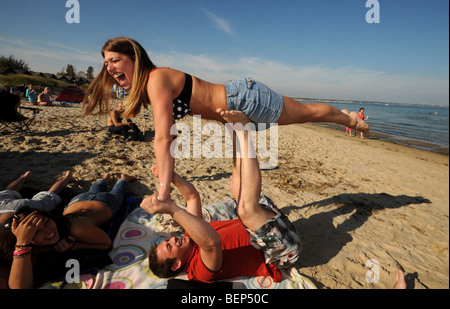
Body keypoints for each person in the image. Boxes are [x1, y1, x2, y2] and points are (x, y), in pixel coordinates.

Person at [83, 37, 370, 202]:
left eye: (115, 60)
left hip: (245, 99)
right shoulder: (146, 85)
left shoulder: (157, 78)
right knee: (238, 183)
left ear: (133, 56)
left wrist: (163, 193)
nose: (109, 67)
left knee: (308, 114)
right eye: (106, 62)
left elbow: (163, 136)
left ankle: (347, 118)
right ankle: (248, 216)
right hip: (231, 117)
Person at [141, 111, 301, 283]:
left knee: (235, 186)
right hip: (280, 251)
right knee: (246, 210)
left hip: (272, 225)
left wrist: (170, 176)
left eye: (168, 241)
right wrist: (171, 208)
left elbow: (192, 197)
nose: (172, 239)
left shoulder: (191, 235)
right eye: (170, 246)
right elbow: (212, 243)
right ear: (176, 264)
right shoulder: (200, 270)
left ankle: (235, 129)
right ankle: (244, 131)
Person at [0, 172, 137, 289]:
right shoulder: (30, 245)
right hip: (76, 202)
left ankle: (123, 179)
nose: (48, 231)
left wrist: (75, 246)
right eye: (36, 231)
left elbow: (106, 244)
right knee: (93, 190)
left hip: (104, 203)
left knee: (117, 192)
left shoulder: (73, 228)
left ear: (49, 217)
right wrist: (22, 243)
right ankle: (104, 180)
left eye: (46, 222)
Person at [0, 171, 74, 227]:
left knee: (48, 195)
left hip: (15, 211)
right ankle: (24, 177)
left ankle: (67, 178)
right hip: (7, 208)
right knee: (8, 193)